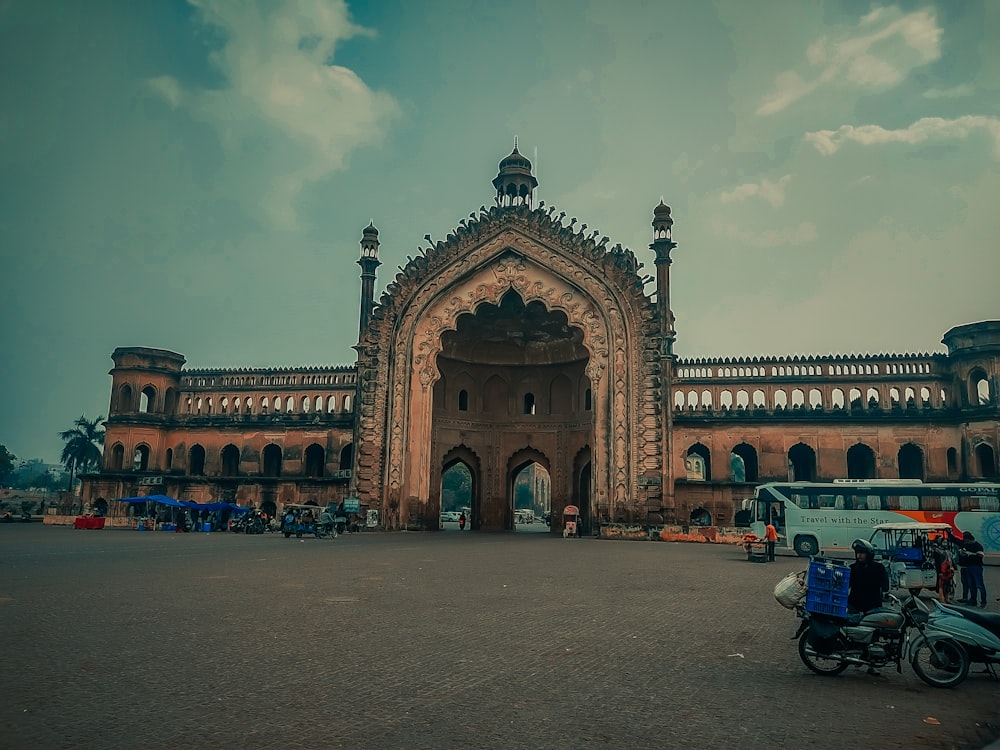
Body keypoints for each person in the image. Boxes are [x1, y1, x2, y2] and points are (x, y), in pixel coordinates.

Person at [848, 538, 889, 614]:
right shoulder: (852, 568)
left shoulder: (879, 568)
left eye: (862, 553)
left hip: (873, 608)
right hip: (855, 608)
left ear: (869, 554)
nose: (859, 555)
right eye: (858, 552)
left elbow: (885, 587)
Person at [958, 531, 987, 608]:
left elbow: (980, 556)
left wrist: (969, 555)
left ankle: (983, 601)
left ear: (969, 539)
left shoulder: (978, 546)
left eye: (966, 541)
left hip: (976, 567)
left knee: (979, 585)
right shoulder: (966, 545)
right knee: (971, 585)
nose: (965, 542)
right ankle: (973, 600)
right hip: (968, 567)